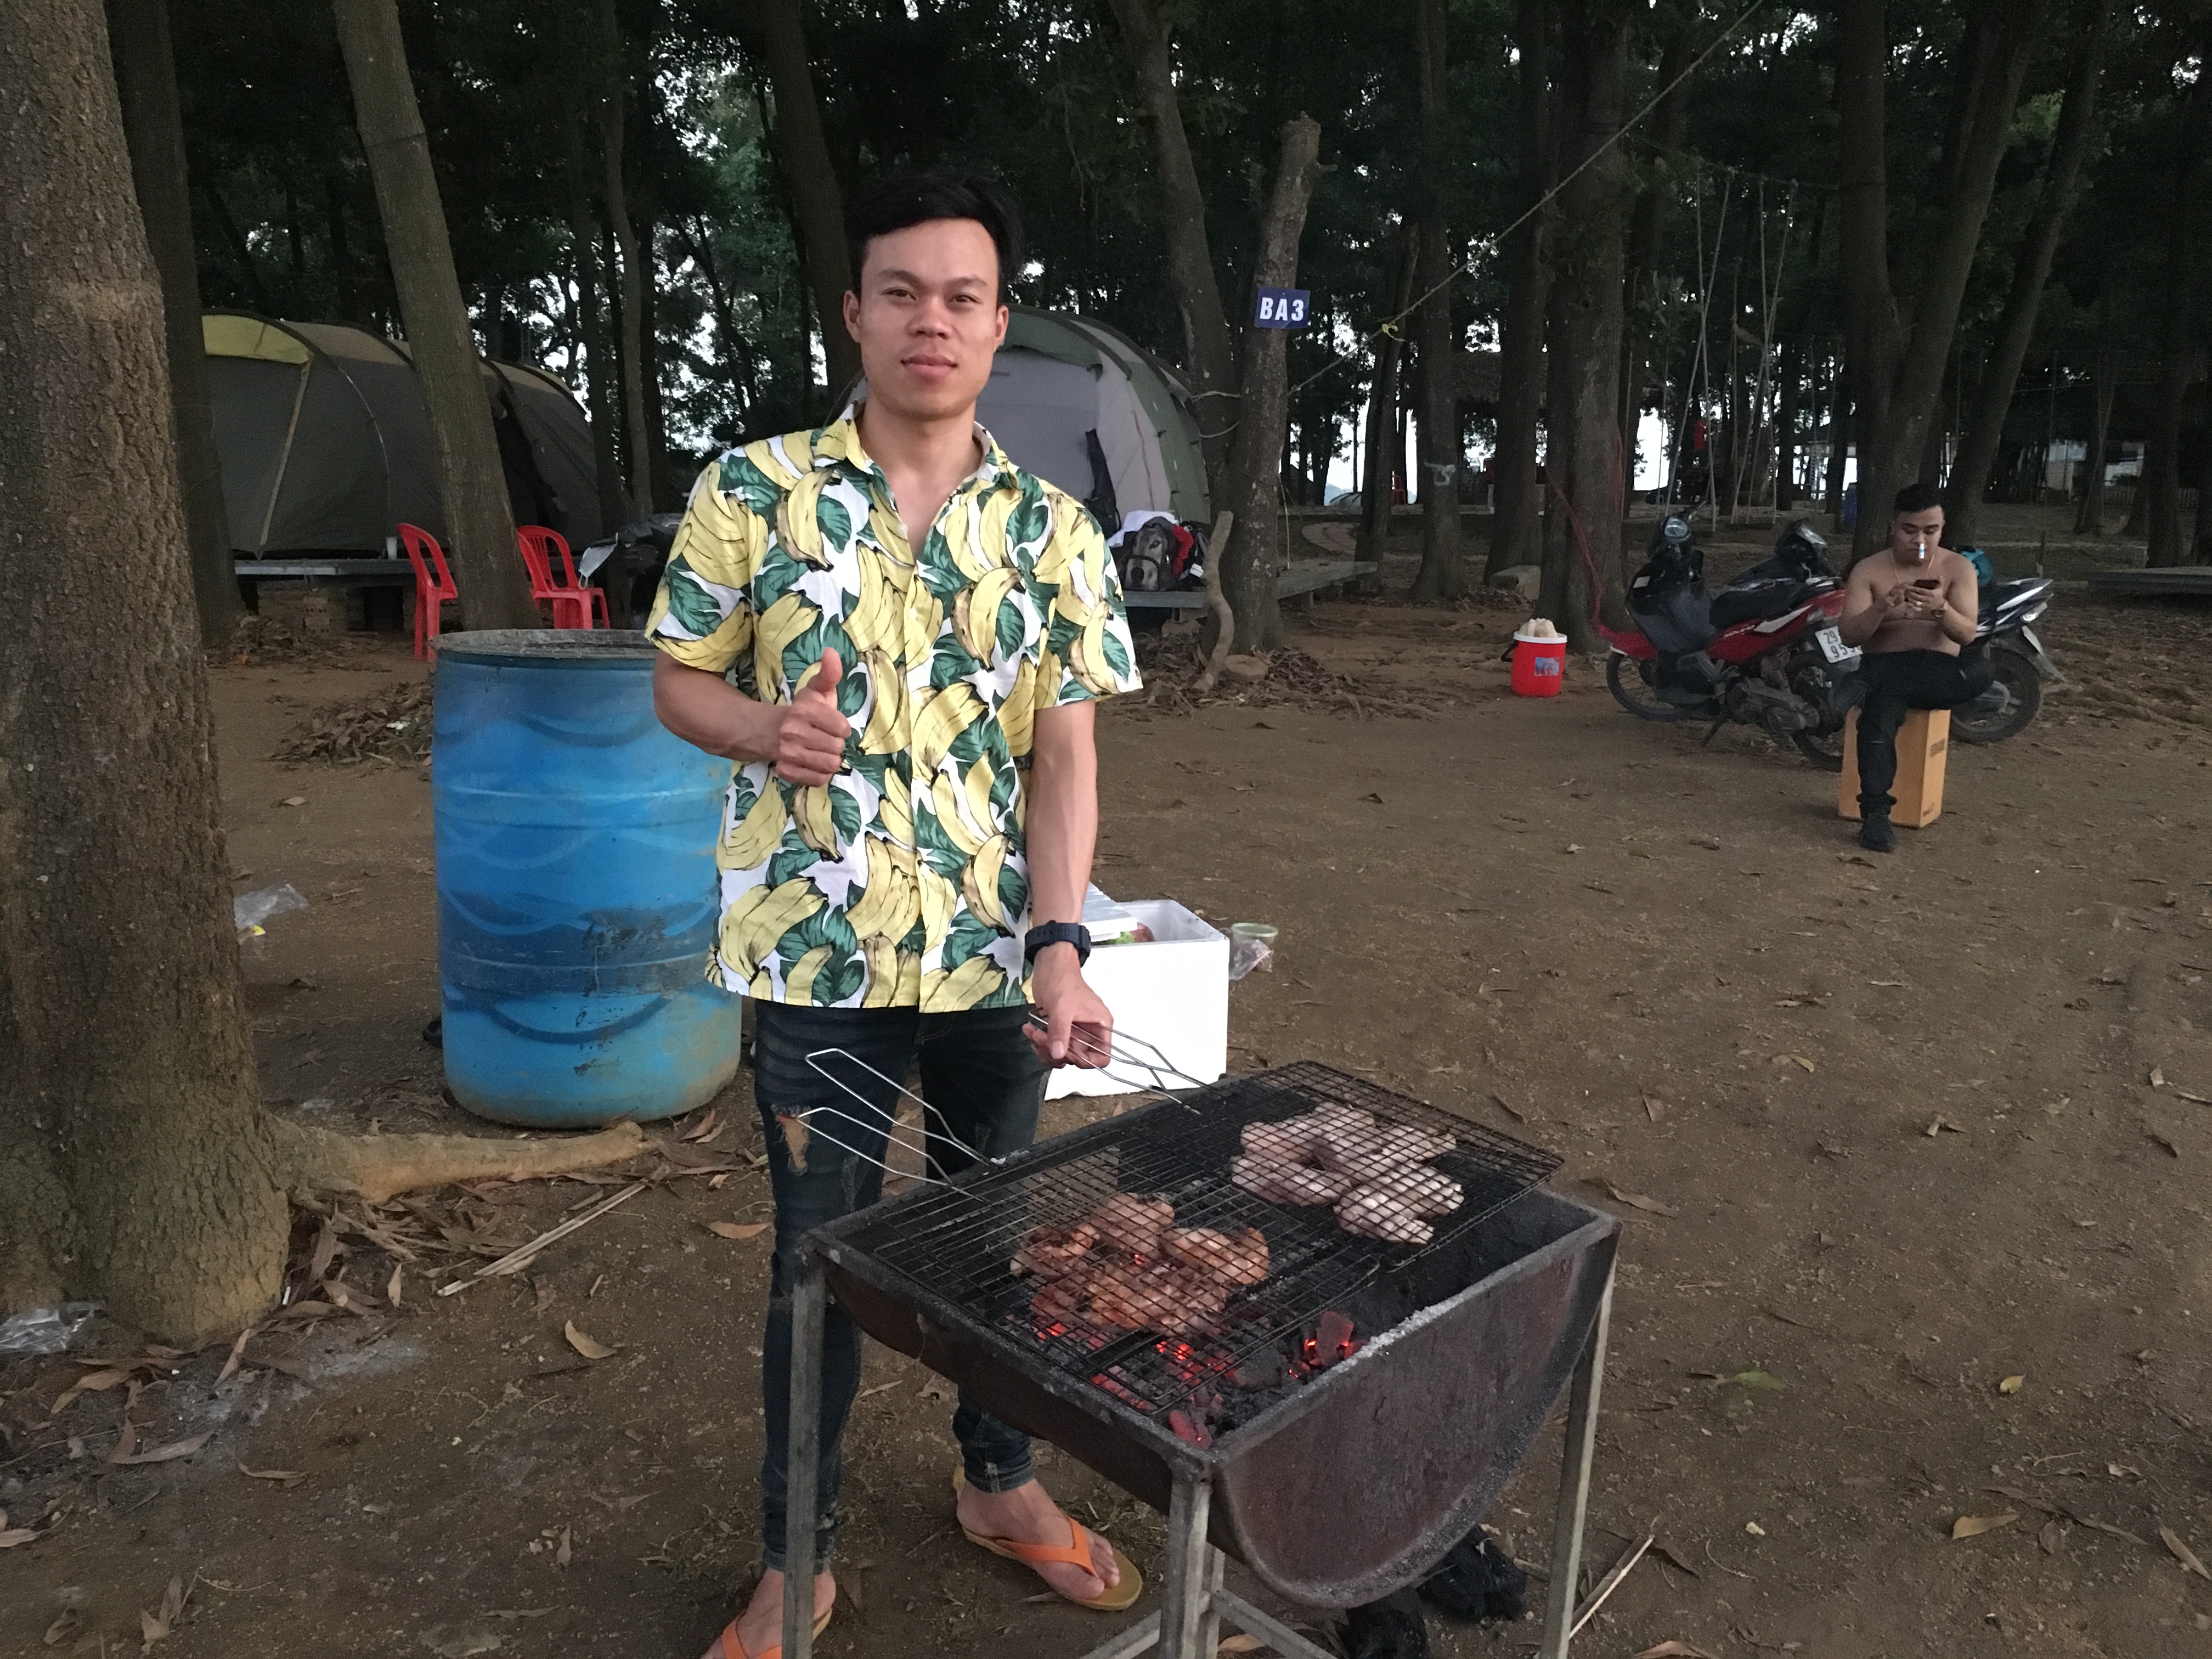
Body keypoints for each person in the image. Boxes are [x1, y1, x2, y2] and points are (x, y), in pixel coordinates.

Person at [646, 172, 1145, 1659]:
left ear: (997, 326)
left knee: (999, 1241)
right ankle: (794, 1560)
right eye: (904, 292)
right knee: (819, 1265)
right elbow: (677, 680)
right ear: (855, 313)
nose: (934, 319)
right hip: (817, 966)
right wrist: (765, 732)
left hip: (996, 966)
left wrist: (1060, 948)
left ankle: (998, 1482)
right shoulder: (752, 492)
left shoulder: (1055, 531)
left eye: (963, 297)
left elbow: (1067, 759)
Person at [1836, 481, 1989, 852]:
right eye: (1909, 530)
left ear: (1942, 528)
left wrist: (1940, 609)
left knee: (1982, 672)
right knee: (1878, 718)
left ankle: (1864, 688)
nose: (1920, 540)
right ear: (1893, 527)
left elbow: (1967, 634)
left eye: (1930, 531)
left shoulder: (1958, 568)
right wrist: (1882, 609)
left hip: (1937, 669)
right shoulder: (1869, 570)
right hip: (1886, 663)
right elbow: (1850, 636)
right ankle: (1876, 815)